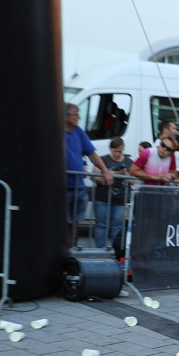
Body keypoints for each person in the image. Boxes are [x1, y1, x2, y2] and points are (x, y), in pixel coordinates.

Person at [65, 103, 113, 248]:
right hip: (62, 187)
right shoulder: (56, 132)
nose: (78, 116)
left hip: (78, 187)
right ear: (66, 116)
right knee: (64, 223)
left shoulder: (78, 131)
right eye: (75, 114)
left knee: (75, 223)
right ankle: (64, 250)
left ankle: (72, 251)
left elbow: (92, 153)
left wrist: (104, 170)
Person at [90, 137, 131, 249]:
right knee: (101, 225)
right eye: (115, 151)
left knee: (116, 227)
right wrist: (110, 175)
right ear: (110, 149)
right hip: (102, 198)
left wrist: (126, 174)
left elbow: (134, 180)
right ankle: (99, 251)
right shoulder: (103, 159)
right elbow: (94, 176)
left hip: (120, 200)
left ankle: (115, 252)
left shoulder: (128, 162)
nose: (117, 154)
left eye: (120, 151)